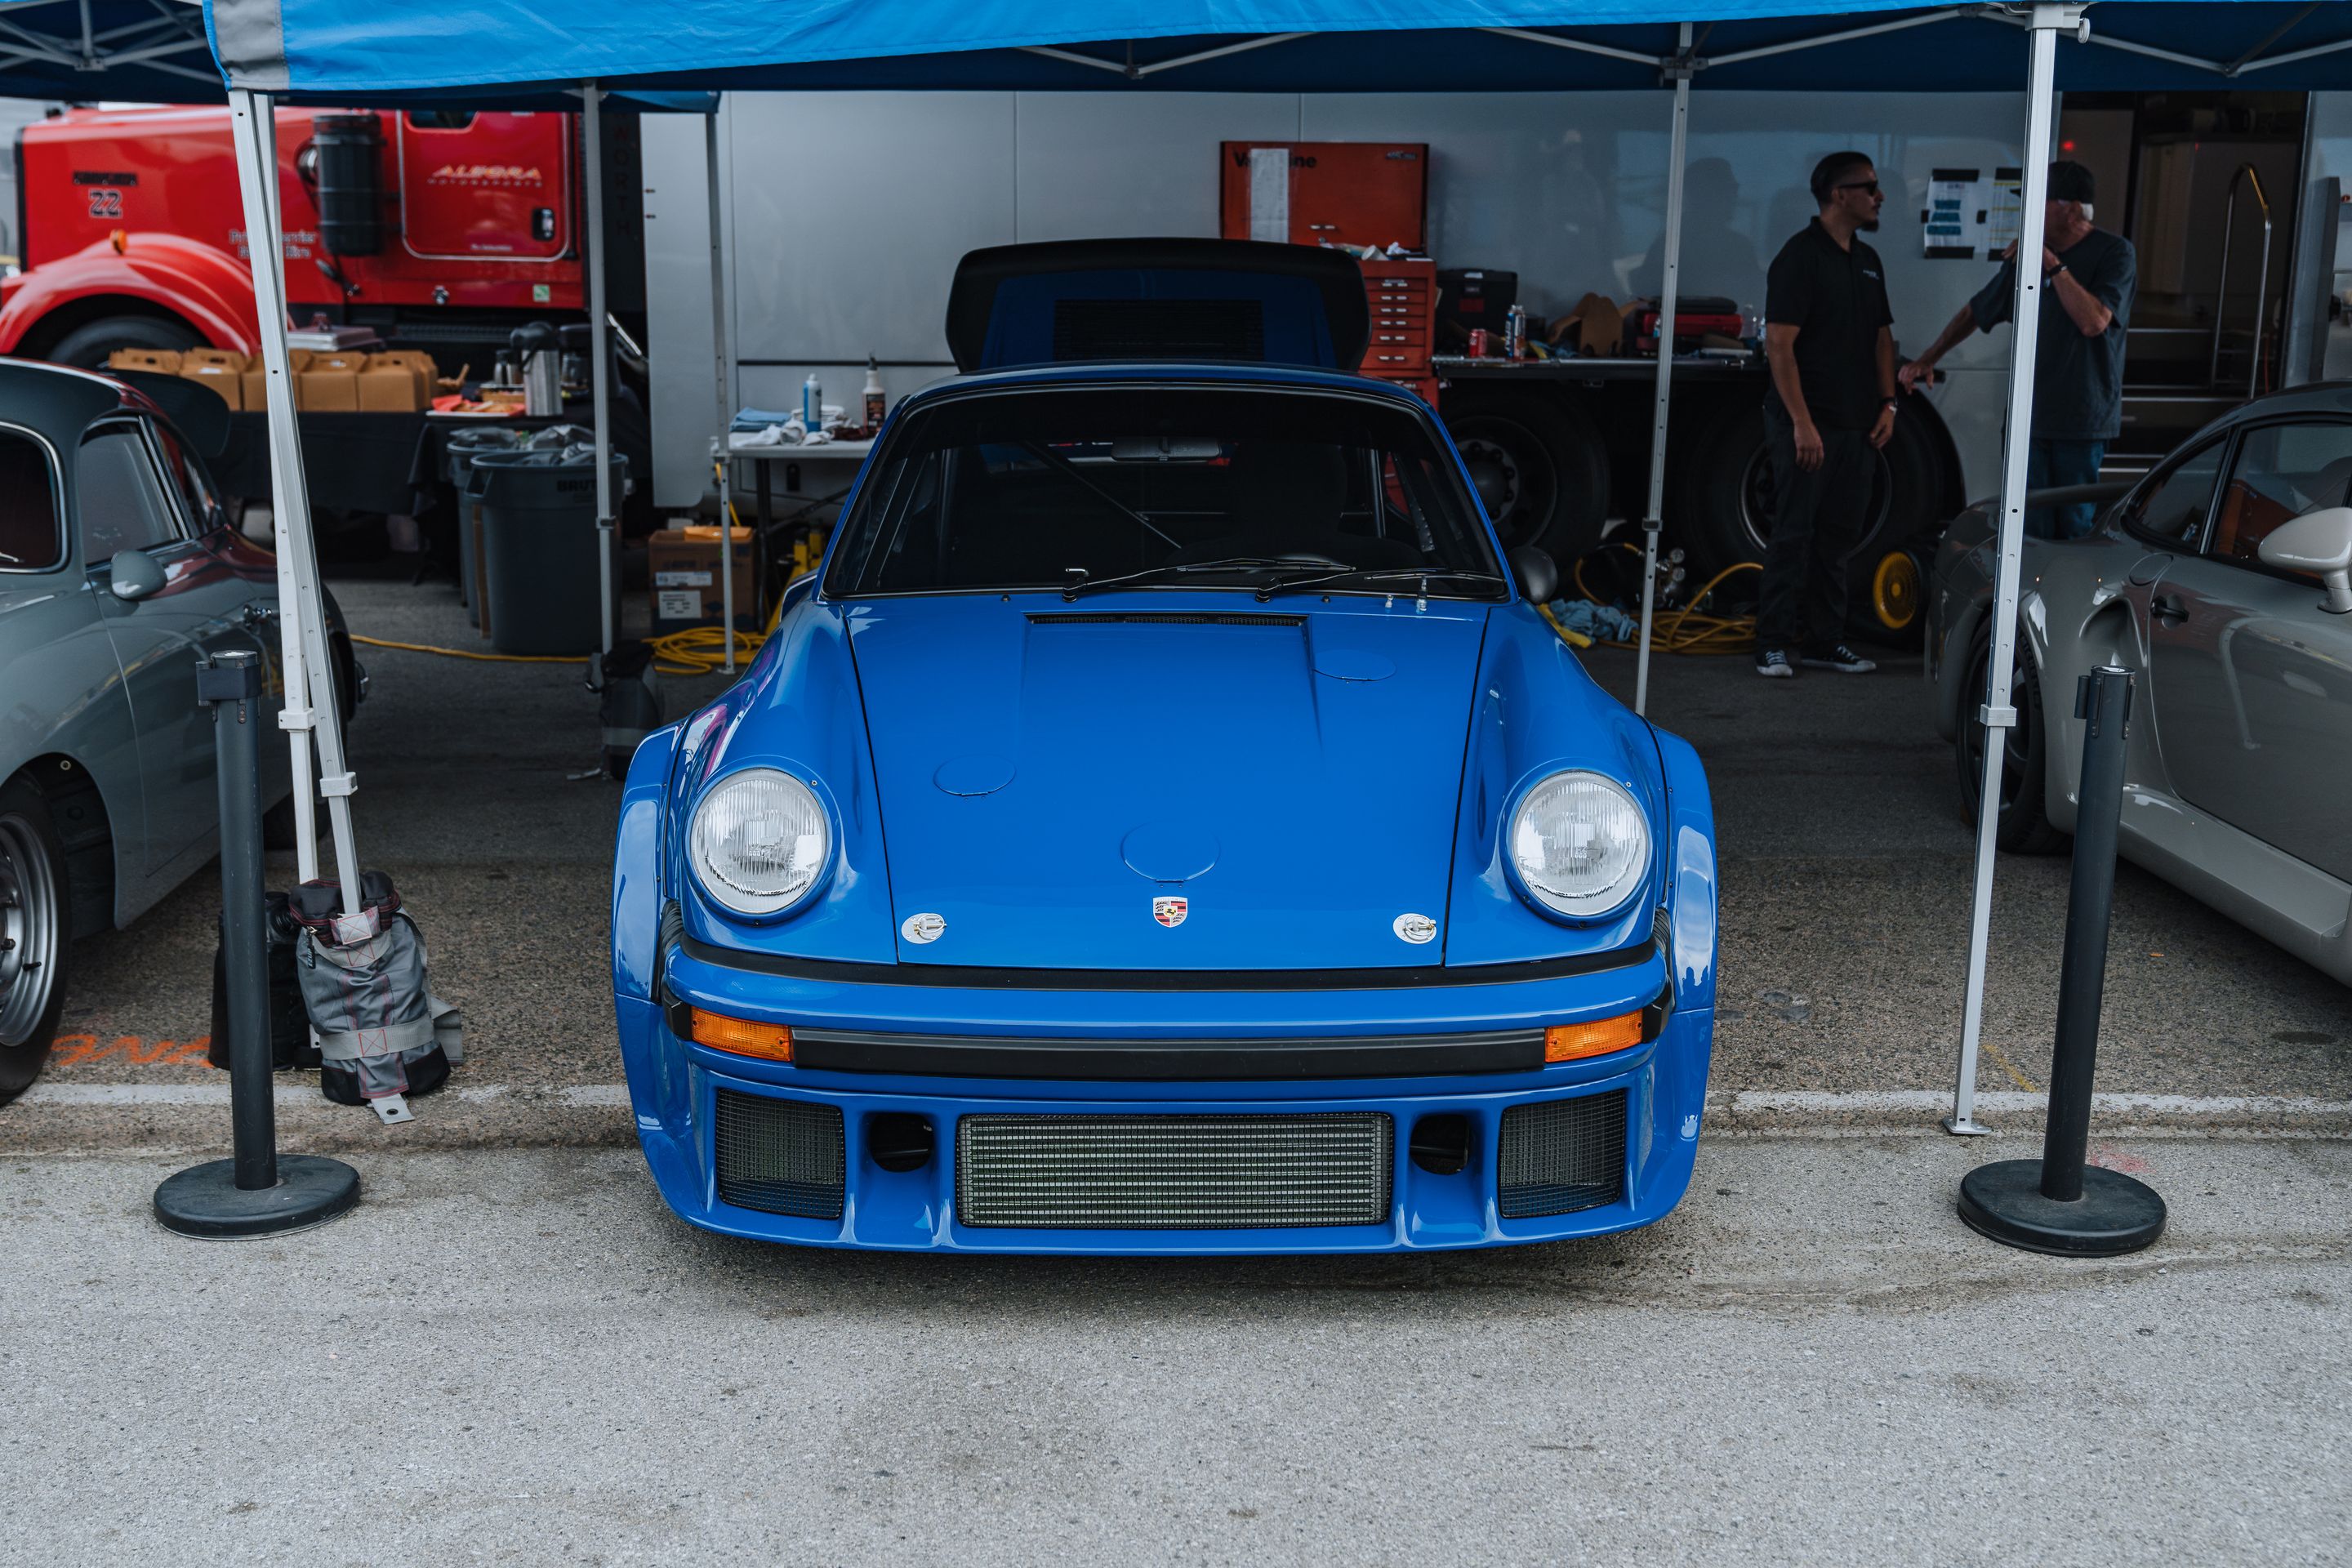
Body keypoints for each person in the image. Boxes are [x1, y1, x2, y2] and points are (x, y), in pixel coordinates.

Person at [1900, 161, 2135, 540]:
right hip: (2030, 414)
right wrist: (1928, 358)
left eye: (2038, 201)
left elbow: (2093, 322)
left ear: (2072, 210)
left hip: (2081, 417)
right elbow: (1976, 311)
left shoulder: (2115, 252)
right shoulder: (2027, 257)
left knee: (2074, 523)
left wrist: (2051, 264)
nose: (2027, 211)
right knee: (2028, 522)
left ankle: (2069, 581)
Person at [1753, 150, 1900, 679]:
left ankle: (1824, 641)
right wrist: (1801, 422)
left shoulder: (1868, 260)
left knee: (1837, 538)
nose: (1880, 196)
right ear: (1840, 195)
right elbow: (1779, 344)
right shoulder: (1800, 258)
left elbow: (1882, 337)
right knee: (1793, 532)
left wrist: (1888, 403)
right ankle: (1771, 643)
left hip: (1857, 425)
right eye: (1870, 187)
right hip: (1807, 424)